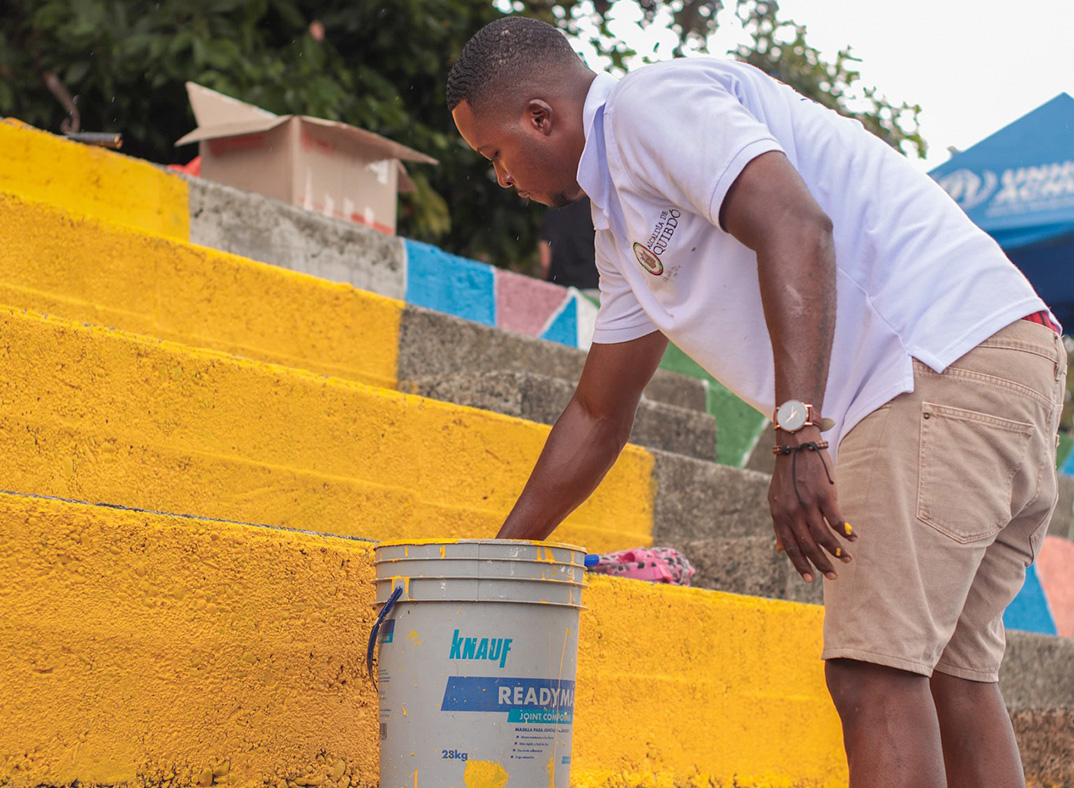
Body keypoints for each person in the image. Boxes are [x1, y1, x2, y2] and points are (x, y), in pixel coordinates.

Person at [446, 16, 1064, 788]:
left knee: (873, 678)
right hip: (997, 356)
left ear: (542, 118)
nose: (502, 179)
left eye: (494, 155)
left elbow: (795, 223)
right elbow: (599, 412)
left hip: (934, 362)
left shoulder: (645, 108)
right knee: (952, 679)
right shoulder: (620, 231)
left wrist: (798, 432)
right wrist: (498, 563)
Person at [538, 196, 600, 291]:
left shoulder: (553, 211)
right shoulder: (595, 209)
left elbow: (545, 261)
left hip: (559, 286)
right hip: (591, 284)